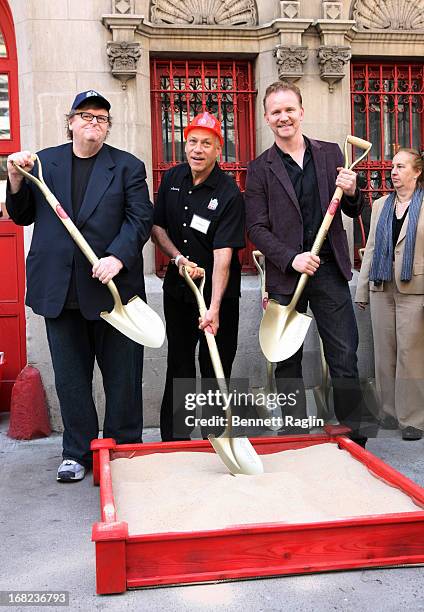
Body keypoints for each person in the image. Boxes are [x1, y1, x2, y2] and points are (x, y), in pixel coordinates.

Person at [6, 90, 153, 481]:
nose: (93, 123)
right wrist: (15, 178)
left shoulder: (127, 167)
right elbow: (21, 216)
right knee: (71, 380)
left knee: (122, 379)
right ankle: (78, 452)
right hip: (61, 291)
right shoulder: (44, 163)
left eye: (101, 118)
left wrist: (117, 257)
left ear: (107, 127)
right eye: (85, 115)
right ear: (70, 121)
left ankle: (122, 452)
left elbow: (139, 220)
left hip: (113, 292)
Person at [245, 80, 369, 446]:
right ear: (267, 118)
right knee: (287, 359)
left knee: (344, 353)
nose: (284, 117)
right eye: (276, 112)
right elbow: (255, 226)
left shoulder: (331, 154)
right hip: (287, 275)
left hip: (328, 269)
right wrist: (290, 258)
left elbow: (354, 209)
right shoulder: (259, 168)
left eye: (289, 110)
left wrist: (352, 191)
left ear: (301, 112)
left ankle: (353, 435)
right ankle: (296, 432)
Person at [152, 112, 245, 441]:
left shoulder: (229, 193)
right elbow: (157, 226)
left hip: (218, 296)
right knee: (179, 364)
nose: (198, 149)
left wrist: (214, 306)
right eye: (193, 141)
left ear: (218, 149)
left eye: (207, 143)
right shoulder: (172, 178)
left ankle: (215, 440)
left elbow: (224, 255)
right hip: (179, 292)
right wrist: (177, 258)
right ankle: (175, 441)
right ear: (185, 144)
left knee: (214, 368)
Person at [355, 148, 424, 441]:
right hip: (382, 286)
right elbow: (370, 249)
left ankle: (413, 419)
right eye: (392, 166)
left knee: (411, 353)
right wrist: (362, 289)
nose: (393, 172)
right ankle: (389, 412)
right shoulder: (381, 205)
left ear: (417, 172)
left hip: (415, 288)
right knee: (385, 353)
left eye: (401, 166)